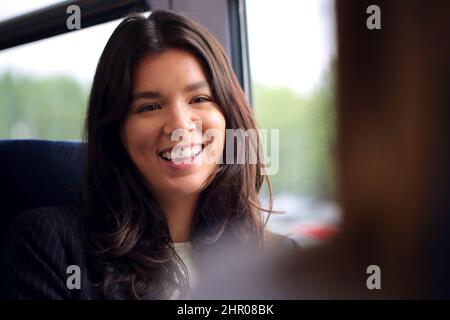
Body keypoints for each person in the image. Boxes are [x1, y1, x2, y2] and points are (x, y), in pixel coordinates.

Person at [0, 10, 296, 300]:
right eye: (149, 107)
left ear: (229, 116)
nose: (180, 124)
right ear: (116, 130)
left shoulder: (277, 259)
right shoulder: (50, 245)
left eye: (200, 99)